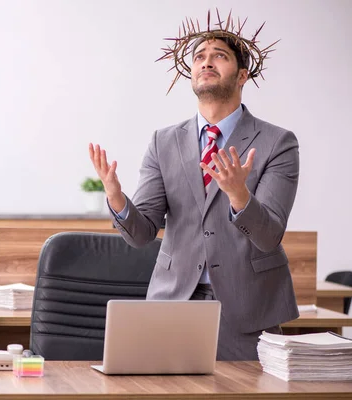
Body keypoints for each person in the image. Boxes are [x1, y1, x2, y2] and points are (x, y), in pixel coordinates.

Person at [88, 10, 300, 361]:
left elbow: (269, 235)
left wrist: (239, 194)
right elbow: (141, 234)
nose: (206, 62)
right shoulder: (163, 142)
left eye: (219, 56)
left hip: (248, 309)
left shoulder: (278, 143)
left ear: (243, 74)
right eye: (199, 57)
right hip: (173, 304)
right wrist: (116, 198)